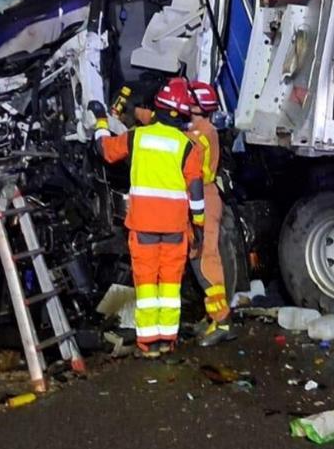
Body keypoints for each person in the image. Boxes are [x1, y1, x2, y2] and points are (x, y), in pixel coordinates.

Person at [90, 78, 204, 358]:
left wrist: (101, 122)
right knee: (169, 286)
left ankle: (148, 344)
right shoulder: (188, 146)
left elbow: (105, 151)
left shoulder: (137, 136)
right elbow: (196, 192)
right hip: (176, 227)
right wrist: (198, 227)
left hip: (143, 226)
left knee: (147, 285)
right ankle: (167, 341)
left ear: (157, 108)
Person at [186, 80, 236, 347]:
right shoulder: (204, 129)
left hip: (202, 197)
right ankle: (212, 316)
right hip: (203, 196)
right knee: (198, 258)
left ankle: (223, 319)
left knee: (207, 259)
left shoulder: (199, 133)